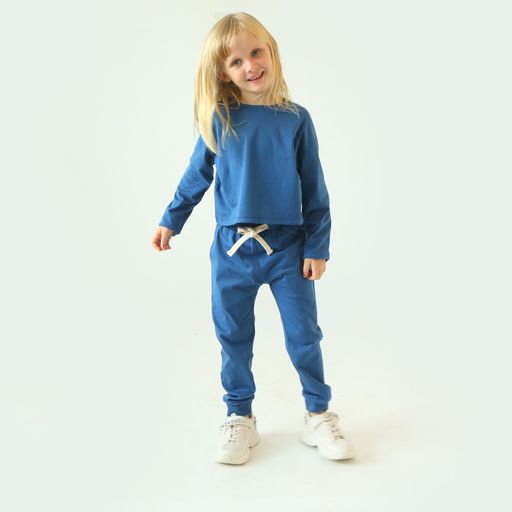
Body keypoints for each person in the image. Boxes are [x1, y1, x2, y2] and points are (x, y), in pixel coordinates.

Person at [151, 12, 354, 465]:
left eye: (256, 52)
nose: (251, 66)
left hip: (289, 250)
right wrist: (171, 220)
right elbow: (195, 177)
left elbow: (314, 188)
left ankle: (317, 413)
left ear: (271, 51)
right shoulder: (219, 119)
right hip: (232, 251)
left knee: (304, 334)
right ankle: (239, 415)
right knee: (233, 335)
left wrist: (317, 246)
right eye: (236, 61)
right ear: (223, 73)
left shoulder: (296, 119)